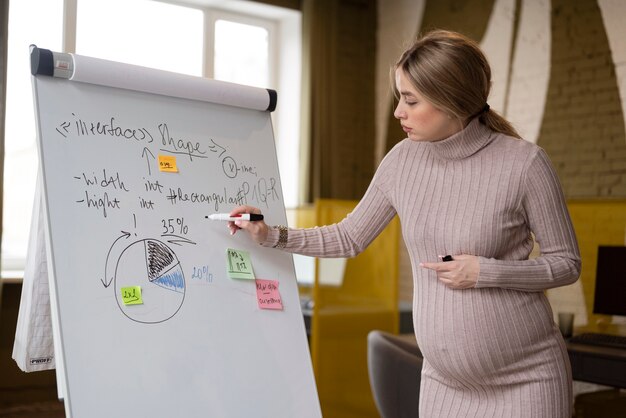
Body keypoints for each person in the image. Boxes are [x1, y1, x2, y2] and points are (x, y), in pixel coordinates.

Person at [227, 29, 581, 418]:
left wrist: (486, 271)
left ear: (453, 100)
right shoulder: (402, 161)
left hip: (526, 383)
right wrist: (271, 235)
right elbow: (348, 237)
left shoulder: (525, 164)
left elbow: (566, 263)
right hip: (444, 385)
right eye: (400, 98)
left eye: (411, 100)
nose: (399, 112)